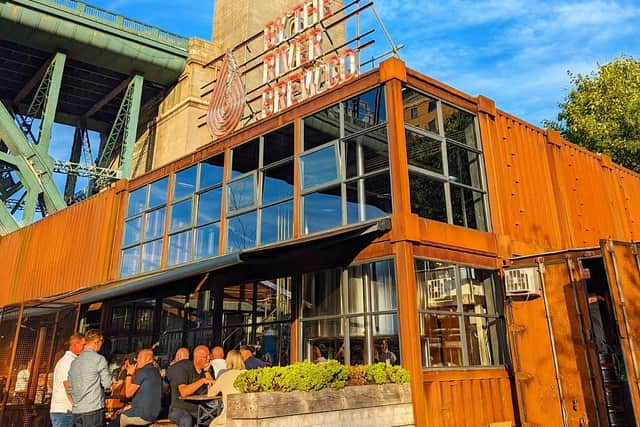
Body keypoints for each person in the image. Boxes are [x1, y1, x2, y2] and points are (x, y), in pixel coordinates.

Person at [68, 329, 112, 427]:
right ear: (97, 342)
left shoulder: (74, 362)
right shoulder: (99, 359)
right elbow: (107, 384)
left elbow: (70, 388)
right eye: (101, 341)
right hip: (93, 408)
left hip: (77, 410)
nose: (102, 345)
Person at [166, 345, 214, 427]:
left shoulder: (207, 370)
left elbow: (213, 390)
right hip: (179, 408)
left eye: (209, 356)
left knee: (217, 417)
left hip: (199, 408)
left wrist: (206, 371)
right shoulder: (184, 368)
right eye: (206, 357)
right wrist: (202, 381)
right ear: (197, 358)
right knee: (186, 419)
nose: (209, 359)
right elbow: (184, 392)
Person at [115, 348, 162, 427]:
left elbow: (128, 394)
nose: (137, 360)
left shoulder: (143, 371)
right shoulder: (156, 372)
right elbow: (144, 397)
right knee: (121, 413)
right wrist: (125, 409)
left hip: (141, 415)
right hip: (152, 415)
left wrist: (129, 374)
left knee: (114, 421)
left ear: (147, 358)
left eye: (139, 357)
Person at [50, 333, 86, 427]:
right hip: (64, 411)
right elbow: (68, 386)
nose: (85, 348)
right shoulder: (69, 362)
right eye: (83, 345)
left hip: (64, 410)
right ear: (75, 345)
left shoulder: (68, 361)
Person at [208, 350, 246, 426]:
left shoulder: (224, 376)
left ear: (228, 361)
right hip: (247, 415)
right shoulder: (248, 374)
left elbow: (210, 394)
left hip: (228, 417)